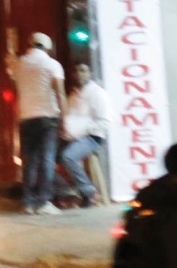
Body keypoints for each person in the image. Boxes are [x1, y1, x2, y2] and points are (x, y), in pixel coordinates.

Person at [11, 32, 67, 215]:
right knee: (46, 159)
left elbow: (16, 89)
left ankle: (27, 202)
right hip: (48, 118)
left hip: (26, 117)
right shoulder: (52, 65)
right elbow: (60, 93)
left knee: (29, 161)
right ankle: (44, 202)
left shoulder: (19, 65)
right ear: (47, 47)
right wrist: (64, 119)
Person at [60, 63, 113, 207]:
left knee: (68, 156)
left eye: (83, 70)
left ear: (90, 73)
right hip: (73, 136)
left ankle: (89, 192)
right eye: (76, 71)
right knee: (47, 156)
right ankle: (67, 192)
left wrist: (82, 130)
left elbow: (105, 122)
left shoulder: (97, 93)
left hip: (92, 137)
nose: (79, 74)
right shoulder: (73, 95)